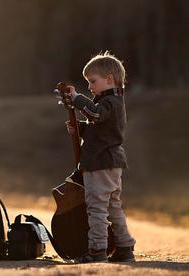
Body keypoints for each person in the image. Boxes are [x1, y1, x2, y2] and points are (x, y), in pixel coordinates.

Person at [64, 51, 136, 263]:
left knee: (96, 207)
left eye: (92, 81)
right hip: (111, 162)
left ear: (109, 79)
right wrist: (79, 129)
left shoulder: (110, 102)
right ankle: (124, 247)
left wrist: (77, 99)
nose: (90, 86)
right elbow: (100, 130)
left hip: (100, 163)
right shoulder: (111, 102)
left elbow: (95, 114)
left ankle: (97, 250)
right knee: (113, 206)